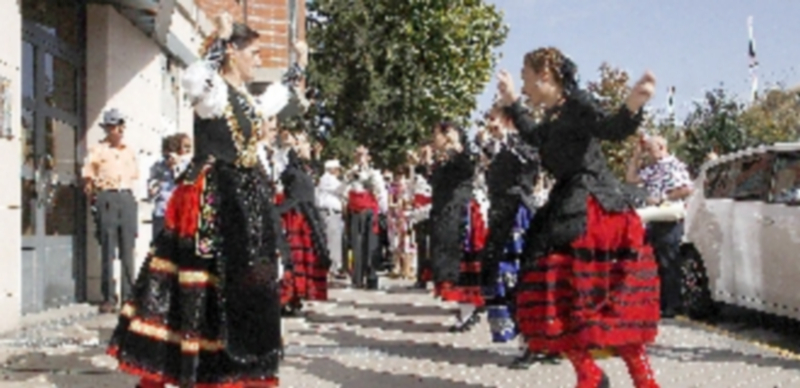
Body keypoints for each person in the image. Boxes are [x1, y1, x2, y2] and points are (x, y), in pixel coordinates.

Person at [106, 13, 291, 387]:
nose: (258, 60)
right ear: (232, 53)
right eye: (253, 52)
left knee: (243, 281)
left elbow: (278, 98)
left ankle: (236, 363)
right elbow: (196, 82)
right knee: (205, 282)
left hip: (245, 199)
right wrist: (216, 42)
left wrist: (298, 66)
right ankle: (201, 365)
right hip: (213, 200)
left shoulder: (248, 101)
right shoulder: (214, 91)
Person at [496, 47, 660, 388]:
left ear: (545, 75)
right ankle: (589, 374)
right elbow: (535, 136)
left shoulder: (578, 104)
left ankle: (641, 381)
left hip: (595, 211)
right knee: (559, 299)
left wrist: (633, 104)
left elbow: (611, 127)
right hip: (569, 207)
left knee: (600, 302)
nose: (525, 87)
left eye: (526, 79)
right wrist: (512, 102)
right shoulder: (553, 117)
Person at [477, 105, 548, 368]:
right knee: (503, 280)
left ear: (508, 120)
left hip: (520, 215)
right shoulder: (492, 149)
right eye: (488, 120)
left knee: (522, 278)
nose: (490, 125)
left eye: (494, 119)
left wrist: (504, 140)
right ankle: (528, 339)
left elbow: (530, 166)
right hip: (501, 216)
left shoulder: (525, 143)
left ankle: (534, 342)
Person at [626, 134, 693, 318]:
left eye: (650, 149)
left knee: (669, 261)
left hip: (669, 217)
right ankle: (661, 302)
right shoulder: (653, 168)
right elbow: (631, 178)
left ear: (662, 147)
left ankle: (673, 304)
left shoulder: (673, 165)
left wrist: (663, 198)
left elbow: (687, 188)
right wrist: (636, 155)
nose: (648, 152)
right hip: (655, 218)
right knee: (656, 261)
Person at [428, 122, 486, 332]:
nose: (434, 139)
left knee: (461, 262)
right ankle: (468, 307)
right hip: (446, 214)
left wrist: (456, 145)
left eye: (437, 135)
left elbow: (467, 166)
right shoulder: (444, 160)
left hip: (460, 214)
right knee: (449, 262)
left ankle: (468, 309)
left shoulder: (463, 156)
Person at [81, 108, 139, 314]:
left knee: (128, 249)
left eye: (121, 125)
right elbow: (88, 177)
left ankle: (129, 297)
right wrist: (95, 201)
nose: (119, 129)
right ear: (107, 128)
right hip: (106, 196)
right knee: (107, 248)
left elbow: (134, 174)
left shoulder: (129, 151)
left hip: (126, 197)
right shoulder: (97, 150)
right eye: (115, 125)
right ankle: (108, 297)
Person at [278, 132, 331, 314]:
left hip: (306, 214)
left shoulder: (303, 168)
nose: (307, 146)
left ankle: (296, 299)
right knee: (294, 260)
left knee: (307, 258)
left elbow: (316, 170)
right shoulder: (287, 164)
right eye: (303, 143)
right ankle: (287, 298)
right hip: (295, 214)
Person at [344, 146, 388, 289]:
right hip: (355, 210)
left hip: (369, 209)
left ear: (368, 157)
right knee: (356, 244)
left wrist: (383, 211)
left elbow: (380, 192)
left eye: (363, 155)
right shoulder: (350, 173)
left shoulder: (374, 173)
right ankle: (357, 277)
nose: (360, 157)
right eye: (357, 154)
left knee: (371, 243)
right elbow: (342, 191)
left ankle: (371, 276)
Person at [147, 134, 190, 238]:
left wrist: (176, 167)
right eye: (166, 154)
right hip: (162, 211)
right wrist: (152, 188)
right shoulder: (158, 166)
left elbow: (185, 183)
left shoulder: (187, 166)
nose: (168, 157)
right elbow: (151, 183)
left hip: (179, 213)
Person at [316, 159, 347, 279]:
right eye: (337, 169)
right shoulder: (327, 178)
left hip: (333, 213)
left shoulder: (329, 179)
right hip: (330, 213)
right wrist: (347, 180)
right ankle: (332, 268)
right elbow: (340, 189)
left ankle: (333, 267)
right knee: (332, 241)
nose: (339, 171)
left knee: (335, 240)